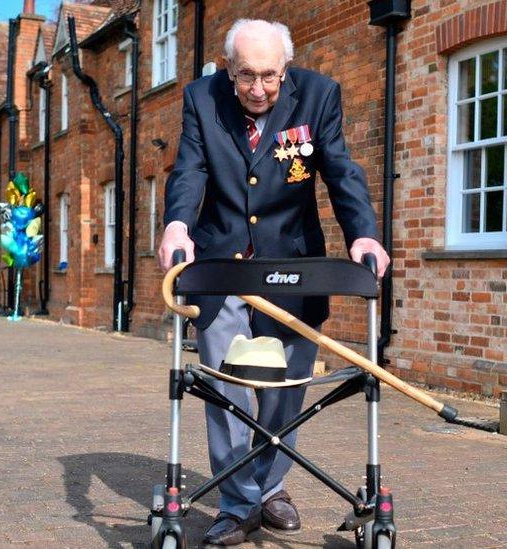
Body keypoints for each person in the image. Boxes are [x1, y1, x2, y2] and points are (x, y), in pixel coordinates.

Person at [158, 19, 389, 547]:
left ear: (286, 69)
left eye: (269, 76)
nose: (258, 89)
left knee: (286, 389)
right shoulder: (200, 97)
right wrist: (176, 225)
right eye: (245, 76)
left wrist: (364, 236)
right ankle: (238, 503)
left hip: (294, 259)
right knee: (226, 386)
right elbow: (189, 171)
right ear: (226, 67)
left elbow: (340, 169)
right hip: (221, 263)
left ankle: (272, 488)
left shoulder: (320, 95)